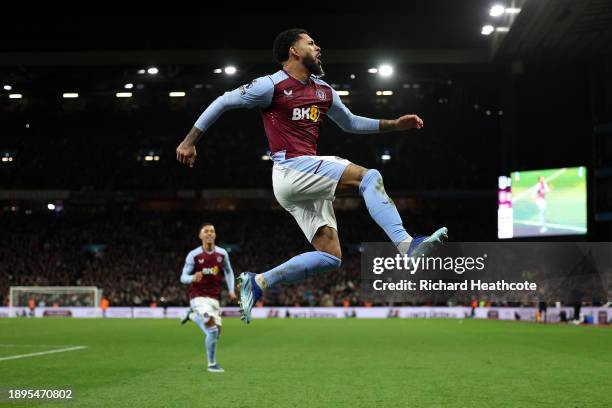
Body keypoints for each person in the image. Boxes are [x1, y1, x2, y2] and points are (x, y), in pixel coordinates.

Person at [176, 28, 447, 324]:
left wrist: (394, 124)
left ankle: (258, 282)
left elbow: (351, 123)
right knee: (370, 178)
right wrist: (190, 141)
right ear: (293, 50)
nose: (318, 48)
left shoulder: (323, 90)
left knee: (331, 257)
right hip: (291, 168)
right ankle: (406, 245)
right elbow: (223, 101)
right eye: (311, 43)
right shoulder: (271, 85)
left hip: (299, 182)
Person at [179, 223, 236, 372]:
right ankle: (212, 365)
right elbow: (183, 277)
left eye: (212, 231)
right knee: (211, 329)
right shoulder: (194, 255)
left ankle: (191, 315)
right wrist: (192, 278)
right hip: (198, 296)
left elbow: (229, 271)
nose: (209, 233)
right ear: (201, 236)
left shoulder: (222, 253)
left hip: (214, 297)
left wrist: (231, 290)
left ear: (215, 235)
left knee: (216, 332)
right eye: (206, 231)